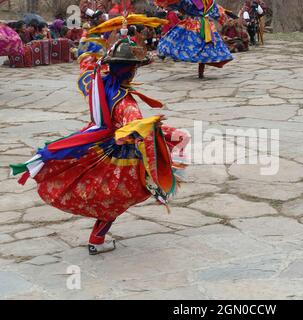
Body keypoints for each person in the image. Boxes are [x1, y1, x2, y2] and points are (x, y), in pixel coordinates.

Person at [10, 20, 189, 255]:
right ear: (131, 70)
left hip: (95, 142)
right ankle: (97, 239)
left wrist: (89, 45)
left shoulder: (99, 83)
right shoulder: (125, 102)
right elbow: (133, 130)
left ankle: (98, 237)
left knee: (111, 198)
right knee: (116, 197)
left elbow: (85, 65)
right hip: (116, 154)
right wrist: (165, 136)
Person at [155, 0, 233, 79]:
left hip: (195, 25)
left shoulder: (196, 2)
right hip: (204, 26)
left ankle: (164, 51)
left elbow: (180, 6)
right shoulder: (209, 3)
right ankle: (200, 72)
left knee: (179, 39)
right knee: (205, 47)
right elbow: (218, 13)